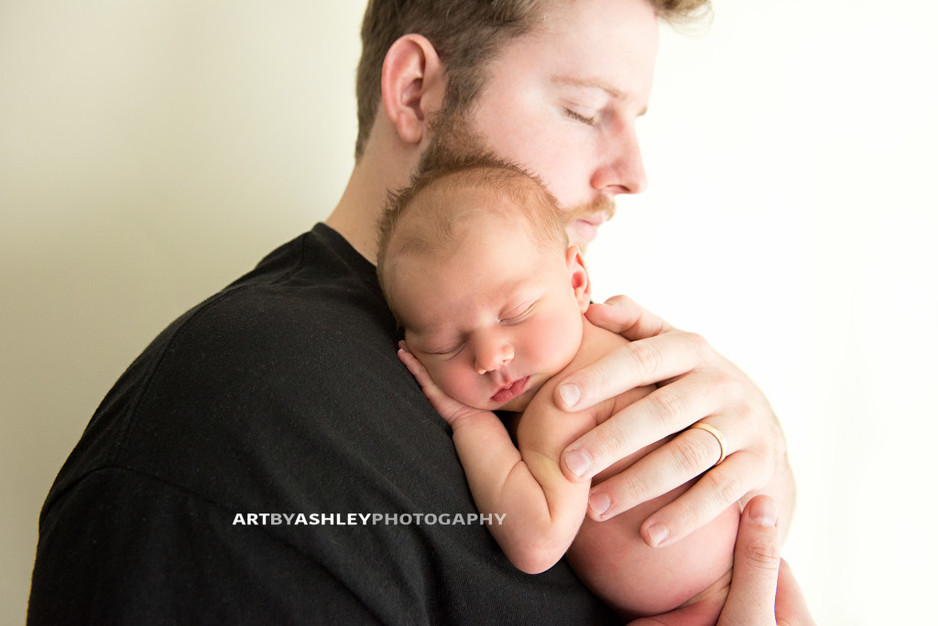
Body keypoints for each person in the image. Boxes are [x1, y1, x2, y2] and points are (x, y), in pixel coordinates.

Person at [28, 0, 811, 623]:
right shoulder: (236, 417)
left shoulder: (561, 365)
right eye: (583, 110)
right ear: (415, 90)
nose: (633, 173)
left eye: (634, 118)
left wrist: (757, 457)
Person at [379, 155, 740, 622]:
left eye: (516, 313)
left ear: (576, 281)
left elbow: (536, 542)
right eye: (449, 344)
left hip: (703, 608)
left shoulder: (568, 400)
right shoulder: (617, 348)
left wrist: (471, 422)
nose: (490, 358)